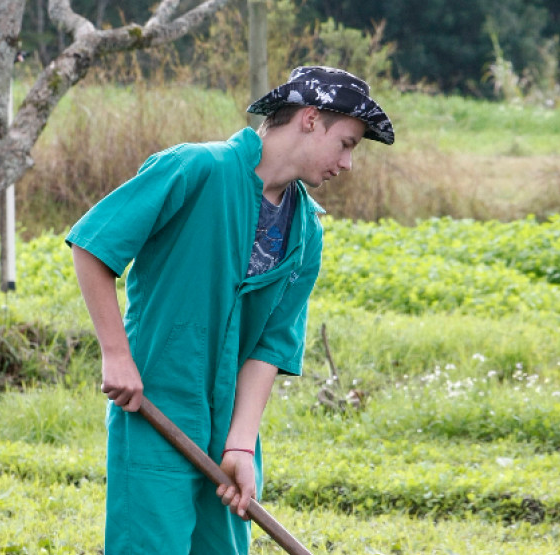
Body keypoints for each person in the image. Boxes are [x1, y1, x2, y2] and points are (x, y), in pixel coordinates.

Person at [67, 66, 394, 555]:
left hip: (228, 429)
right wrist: (116, 355)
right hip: (156, 407)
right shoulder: (197, 169)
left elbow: (270, 345)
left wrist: (240, 444)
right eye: (346, 144)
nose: (347, 163)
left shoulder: (306, 232)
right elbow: (94, 245)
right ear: (310, 119)